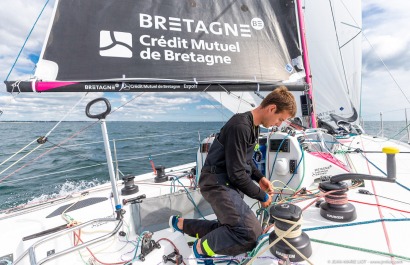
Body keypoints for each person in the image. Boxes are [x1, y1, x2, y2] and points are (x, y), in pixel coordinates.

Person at [169, 86, 297, 264]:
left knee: (230, 228)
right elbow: (237, 173)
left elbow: (246, 160)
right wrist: (262, 195)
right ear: (272, 108)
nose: (278, 124)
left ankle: (180, 224)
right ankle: (201, 249)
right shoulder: (240, 126)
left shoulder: (253, 126)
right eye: (280, 119)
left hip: (226, 183)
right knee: (250, 233)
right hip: (216, 183)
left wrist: (260, 178)